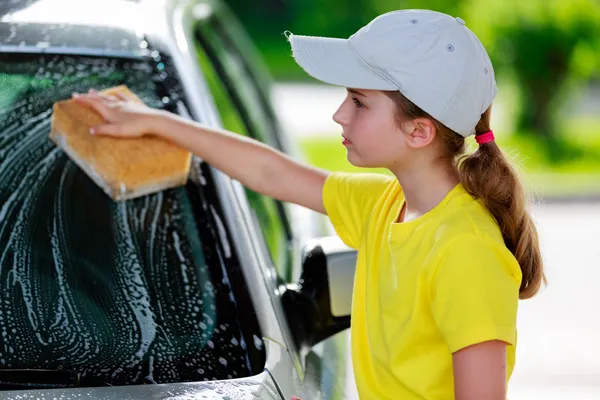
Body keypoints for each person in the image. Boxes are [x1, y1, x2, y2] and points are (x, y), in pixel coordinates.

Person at [72, 9, 546, 400]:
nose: (339, 113)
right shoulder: (387, 205)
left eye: (359, 102)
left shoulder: (467, 251)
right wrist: (158, 123)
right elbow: (270, 173)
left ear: (418, 131)